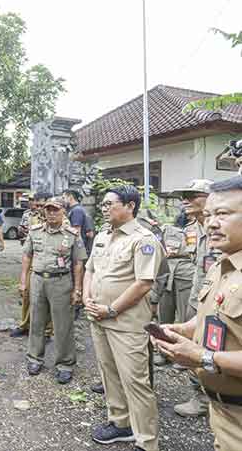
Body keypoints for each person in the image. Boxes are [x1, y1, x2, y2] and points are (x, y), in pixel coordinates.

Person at [152, 176, 242, 451]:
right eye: (209, 214)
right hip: (222, 411)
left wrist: (202, 357)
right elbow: (210, 319)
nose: (211, 223)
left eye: (223, 214)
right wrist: (181, 330)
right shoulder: (220, 266)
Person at [84, 185, 164, 451]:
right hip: (99, 318)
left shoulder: (144, 239)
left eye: (110, 204)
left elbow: (143, 283)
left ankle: (146, 441)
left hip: (125, 323)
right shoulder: (103, 235)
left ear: (130, 206)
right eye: (103, 205)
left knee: (135, 381)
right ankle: (121, 424)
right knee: (110, 374)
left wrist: (112, 309)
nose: (104, 209)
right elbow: (90, 269)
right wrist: (86, 297)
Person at [22, 197, 86, 384]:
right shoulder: (35, 232)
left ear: (63, 212)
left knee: (63, 325)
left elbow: (78, 263)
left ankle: (65, 364)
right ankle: (34, 358)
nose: (51, 213)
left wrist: (78, 289)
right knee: (36, 321)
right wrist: (23, 281)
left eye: (55, 210)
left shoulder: (71, 234)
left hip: (60, 282)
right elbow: (27, 255)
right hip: (38, 280)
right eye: (48, 210)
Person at [170, 179, 217, 417]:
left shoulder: (221, 225)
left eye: (192, 195)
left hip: (221, 303)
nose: (184, 200)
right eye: (183, 195)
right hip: (197, 299)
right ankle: (200, 398)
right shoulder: (194, 228)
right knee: (195, 348)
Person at [152, 211, 194, 366]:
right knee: (165, 316)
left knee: (186, 318)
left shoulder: (197, 230)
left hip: (186, 275)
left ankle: (184, 356)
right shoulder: (165, 230)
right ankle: (163, 352)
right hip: (166, 275)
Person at [11, 191, 54, 338]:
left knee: (47, 299)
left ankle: (47, 331)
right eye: (38, 205)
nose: (40, 208)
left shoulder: (59, 218)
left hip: (49, 265)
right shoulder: (32, 218)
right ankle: (25, 325)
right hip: (32, 262)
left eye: (43, 205)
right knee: (27, 295)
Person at [63, 189, 92, 254]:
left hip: (78, 247)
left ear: (70, 197)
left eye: (64, 198)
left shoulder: (76, 210)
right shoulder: (77, 209)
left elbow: (76, 232)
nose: (63, 201)